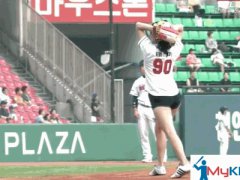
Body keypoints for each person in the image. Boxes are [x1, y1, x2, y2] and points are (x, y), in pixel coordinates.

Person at [136, 21, 190, 178]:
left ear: (158, 37)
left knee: (169, 131)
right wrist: (167, 30)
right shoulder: (175, 49)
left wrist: (155, 28)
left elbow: (138, 25)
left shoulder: (149, 50)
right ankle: (160, 166)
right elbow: (181, 27)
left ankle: (185, 163)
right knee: (159, 129)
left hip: (160, 98)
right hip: (174, 95)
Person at [129, 60, 167, 163]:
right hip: (141, 108)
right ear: (140, 68)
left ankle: (163, 156)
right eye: (142, 67)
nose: (144, 68)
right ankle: (147, 156)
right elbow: (134, 97)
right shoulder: (137, 82)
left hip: (152, 108)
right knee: (143, 133)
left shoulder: (155, 79)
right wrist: (135, 109)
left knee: (157, 133)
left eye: (146, 66)